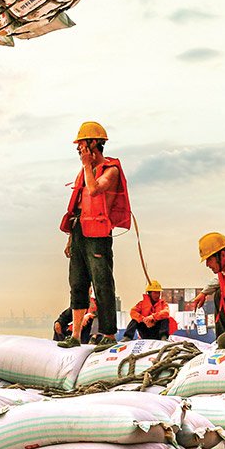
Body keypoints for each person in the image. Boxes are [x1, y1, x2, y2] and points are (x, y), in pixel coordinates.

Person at [58, 121, 131, 348]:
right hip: (80, 231)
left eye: (82, 144)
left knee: (102, 283)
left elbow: (95, 189)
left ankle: (108, 334)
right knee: (77, 283)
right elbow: (80, 204)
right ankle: (76, 336)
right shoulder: (83, 172)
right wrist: (71, 237)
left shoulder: (111, 170)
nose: (79, 149)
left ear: (94, 143)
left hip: (98, 234)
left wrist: (88, 166)